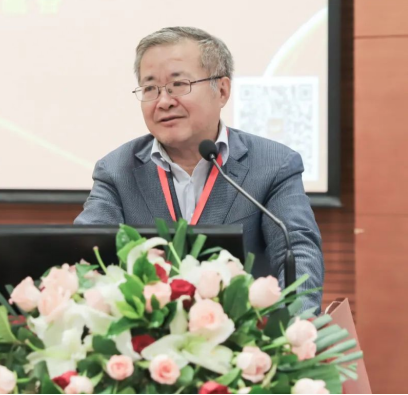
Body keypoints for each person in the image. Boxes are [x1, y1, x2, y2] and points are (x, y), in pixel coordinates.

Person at [75, 26, 324, 311]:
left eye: (179, 84)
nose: (164, 102)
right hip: (146, 332)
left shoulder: (273, 164)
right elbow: (86, 260)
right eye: (150, 88)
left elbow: (299, 253)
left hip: (245, 332)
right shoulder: (117, 170)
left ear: (222, 90)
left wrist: (291, 328)